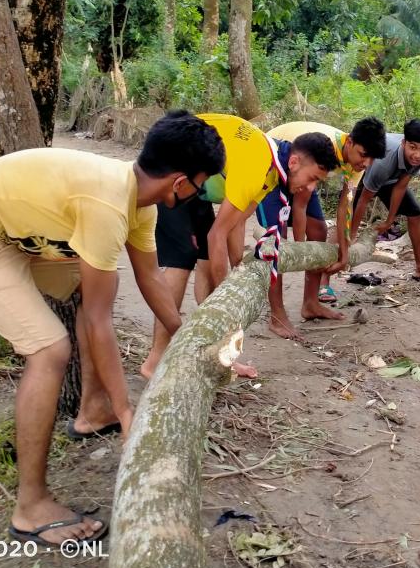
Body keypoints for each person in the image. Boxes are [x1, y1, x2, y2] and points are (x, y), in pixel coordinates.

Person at [0, 111, 225, 545]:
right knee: (50, 350)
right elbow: (100, 321)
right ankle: (31, 507)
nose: (202, 194)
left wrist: (195, 341)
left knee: (95, 283)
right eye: (202, 185)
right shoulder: (107, 205)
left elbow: (150, 278)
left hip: (4, 236)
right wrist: (127, 410)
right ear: (180, 183)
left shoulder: (135, 201)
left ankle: (93, 411)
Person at [141, 114, 339, 376]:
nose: (311, 188)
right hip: (171, 164)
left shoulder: (271, 173)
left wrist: (237, 267)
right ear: (293, 162)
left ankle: (220, 356)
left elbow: (237, 222)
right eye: (312, 178)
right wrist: (228, 293)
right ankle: (154, 361)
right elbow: (217, 235)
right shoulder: (257, 165)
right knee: (183, 259)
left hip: (198, 180)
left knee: (209, 260)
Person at [260, 118, 387, 339]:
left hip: (307, 172)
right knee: (277, 239)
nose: (366, 163)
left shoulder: (357, 164)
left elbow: (345, 207)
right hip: (276, 160)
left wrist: (344, 253)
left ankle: (310, 304)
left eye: (372, 159)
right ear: (350, 142)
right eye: (363, 155)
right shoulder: (325, 148)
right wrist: (299, 250)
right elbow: (299, 206)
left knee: (319, 231)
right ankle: (277, 316)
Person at [350, 118, 420, 284]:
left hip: (390, 180)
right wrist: (352, 235)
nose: (418, 154)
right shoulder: (384, 162)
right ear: (404, 143)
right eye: (413, 147)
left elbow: (400, 187)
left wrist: (389, 220)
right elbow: (364, 199)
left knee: (415, 213)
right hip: (363, 175)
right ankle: (328, 273)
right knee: (347, 221)